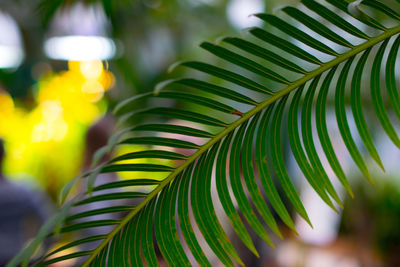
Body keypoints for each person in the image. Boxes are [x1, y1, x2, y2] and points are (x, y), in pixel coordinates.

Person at [0, 139, 51, 267]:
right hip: (17, 258)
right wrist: (41, 255)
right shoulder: (23, 189)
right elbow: (50, 223)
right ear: (4, 155)